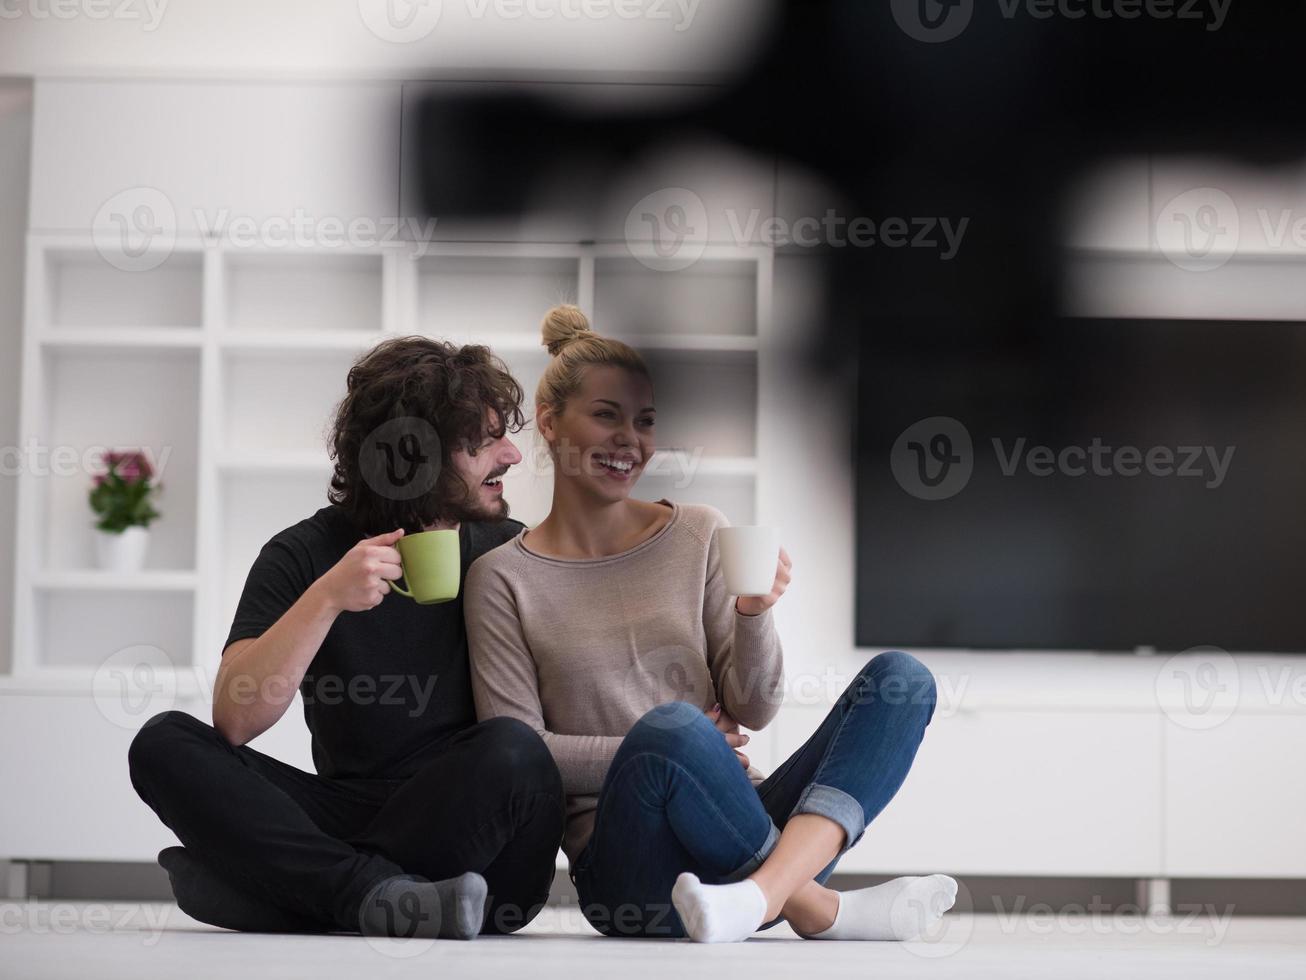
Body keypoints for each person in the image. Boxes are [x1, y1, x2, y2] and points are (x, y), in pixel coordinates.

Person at [464, 305, 956, 942]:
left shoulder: (698, 531)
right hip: (628, 872)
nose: (630, 441)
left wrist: (754, 614)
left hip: (742, 824)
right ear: (553, 426)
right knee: (673, 728)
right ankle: (815, 907)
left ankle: (760, 896)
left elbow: (751, 709)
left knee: (902, 679)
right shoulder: (503, 577)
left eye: (645, 421)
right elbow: (523, 753)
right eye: (606, 415)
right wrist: (677, 749)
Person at [128, 337, 564, 939]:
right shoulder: (303, 555)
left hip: (484, 841)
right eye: (482, 441)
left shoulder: (515, 551)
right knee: (163, 743)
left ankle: (297, 893)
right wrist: (327, 598)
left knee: (515, 751)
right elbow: (235, 719)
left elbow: (573, 698)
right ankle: (371, 896)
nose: (512, 455)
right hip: (347, 812)